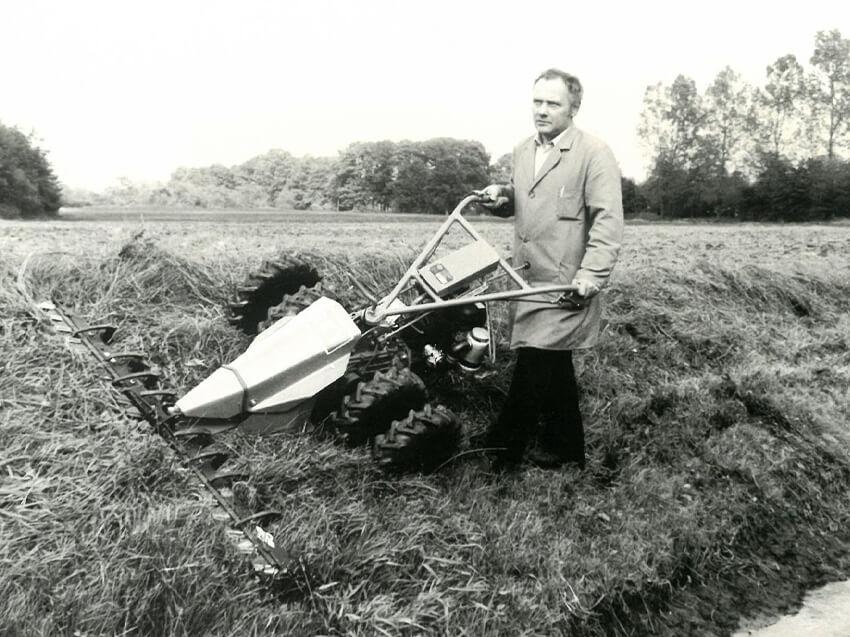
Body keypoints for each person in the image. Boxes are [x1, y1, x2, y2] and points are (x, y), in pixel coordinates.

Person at [478, 68, 623, 472]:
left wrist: (593, 273)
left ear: (573, 107)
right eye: (537, 101)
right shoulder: (523, 150)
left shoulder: (594, 153)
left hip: (565, 283)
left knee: (534, 362)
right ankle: (566, 445)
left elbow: (608, 219)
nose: (541, 111)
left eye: (552, 103)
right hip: (526, 278)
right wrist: (502, 196)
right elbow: (526, 201)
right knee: (553, 363)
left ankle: (502, 449)